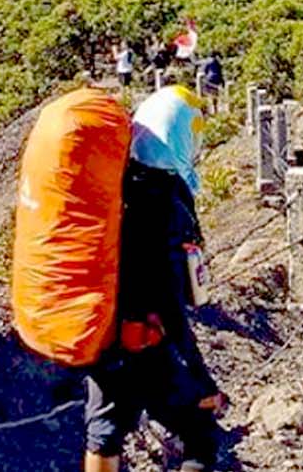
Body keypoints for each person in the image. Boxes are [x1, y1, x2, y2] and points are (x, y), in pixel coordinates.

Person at [83, 85, 224, 472]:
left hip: (102, 332)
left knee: (103, 435)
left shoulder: (117, 185)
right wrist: (200, 377)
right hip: (147, 340)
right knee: (199, 434)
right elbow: (169, 302)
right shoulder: (167, 204)